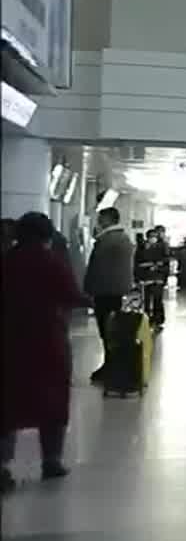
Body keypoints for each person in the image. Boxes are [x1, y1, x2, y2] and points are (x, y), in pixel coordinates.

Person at [2, 213, 89, 493]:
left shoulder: (7, 261)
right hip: (46, 339)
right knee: (51, 398)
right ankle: (51, 460)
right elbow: (73, 295)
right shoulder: (52, 262)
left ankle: (2, 465)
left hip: (9, 340)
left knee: (8, 401)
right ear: (47, 234)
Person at [83, 207, 135, 381]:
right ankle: (113, 365)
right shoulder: (122, 238)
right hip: (116, 290)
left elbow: (97, 268)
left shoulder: (107, 240)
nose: (98, 222)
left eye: (101, 219)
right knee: (112, 329)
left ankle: (111, 366)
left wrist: (88, 289)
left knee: (107, 330)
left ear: (108, 219)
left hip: (106, 290)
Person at [136, 226, 169, 330]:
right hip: (146, 279)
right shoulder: (141, 248)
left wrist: (163, 274)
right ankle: (147, 320)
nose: (153, 238)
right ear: (147, 237)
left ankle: (157, 320)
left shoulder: (162, 247)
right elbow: (137, 263)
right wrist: (138, 277)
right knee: (146, 300)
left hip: (158, 278)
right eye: (151, 237)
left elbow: (165, 262)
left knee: (157, 300)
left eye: (155, 236)